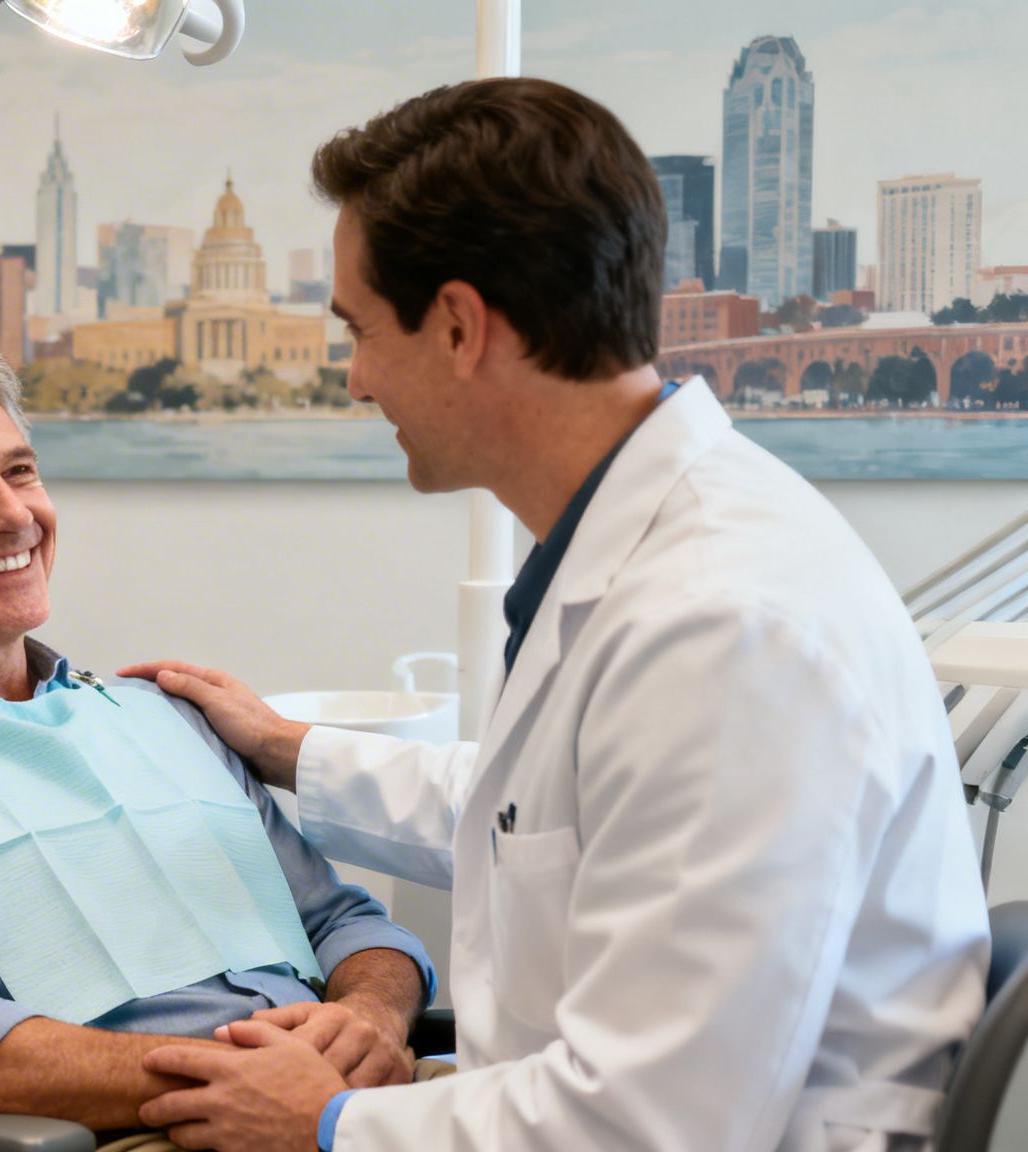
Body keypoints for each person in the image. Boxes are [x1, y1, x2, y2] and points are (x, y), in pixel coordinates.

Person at [121, 78, 990, 1152]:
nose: (353, 382)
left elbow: (658, 1122)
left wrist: (330, 1123)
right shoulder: (649, 551)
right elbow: (535, 820)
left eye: (357, 330)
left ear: (455, 327)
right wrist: (289, 749)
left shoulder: (723, 624)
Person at [0, 335, 436, 1136]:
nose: (12, 514)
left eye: (21, 470)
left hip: (349, 1103)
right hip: (160, 1129)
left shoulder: (161, 715)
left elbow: (347, 925)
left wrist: (372, 1018)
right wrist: (243, 1080)